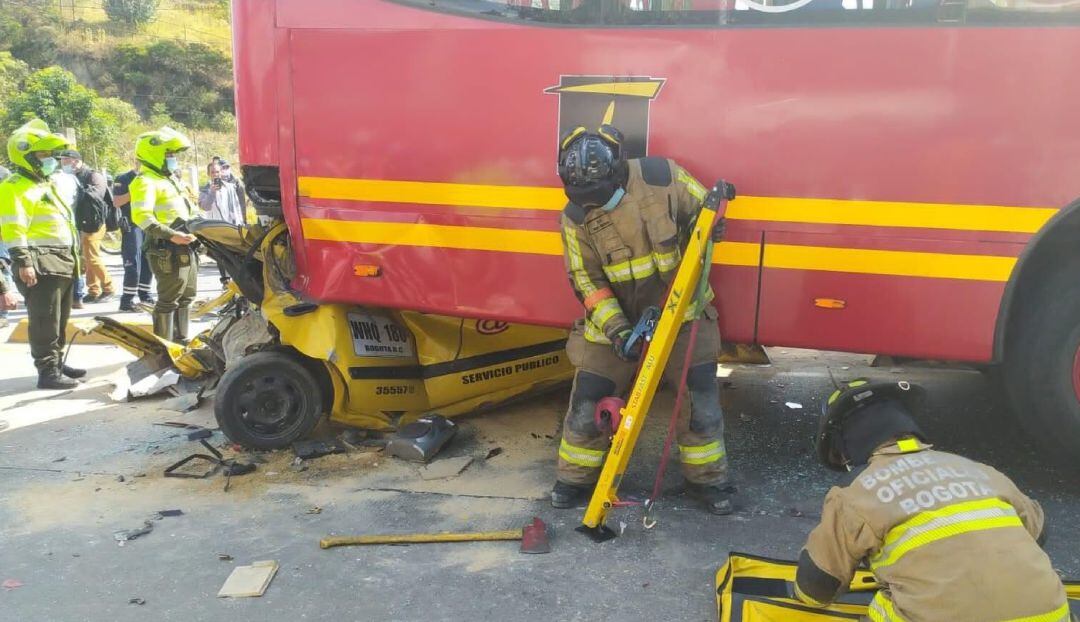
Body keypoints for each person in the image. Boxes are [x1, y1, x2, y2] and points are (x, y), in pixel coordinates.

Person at [550, 124, 735, 514]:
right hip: (616, 324)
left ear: (619, 169)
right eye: (586, 200)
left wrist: (712, 222)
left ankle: (707, 481)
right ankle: (574, 479)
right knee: (588, 401)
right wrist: (618, 331)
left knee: (700, 402)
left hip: (683, 315)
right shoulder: (574, 217)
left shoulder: (662, 177)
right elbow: (586, 280)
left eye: (600, 196)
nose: (594, 205)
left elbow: (704, 210)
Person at [794, 379, 1069, 621]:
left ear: (844, 452)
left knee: (884, 607)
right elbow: (1038, 533)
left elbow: (816, 588)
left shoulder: (855, 495)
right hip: (1052, 614)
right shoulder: (981, 471)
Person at [0, 119, 86, 389]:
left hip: (62, 259)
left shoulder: (45, 183)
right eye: (42, 154)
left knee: (59, 318)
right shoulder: (14, 186)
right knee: (44, 319)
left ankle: (57, 362)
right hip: (40, 261)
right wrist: (23, 262)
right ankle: (47, 371)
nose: (49, 159)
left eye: (50, 154)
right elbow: (13, 227)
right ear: (25, 155)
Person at [129, 127, 198, 343]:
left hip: (186, 244)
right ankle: (163, 348)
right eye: (169, 154)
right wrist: (171, 235)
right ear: (154, 154)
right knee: (169, 299)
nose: (173, 158)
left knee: (187, 296)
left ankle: (181, 341)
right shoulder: (145, 181)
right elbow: (142, 217)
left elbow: (188, 208)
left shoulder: (170, 180)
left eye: (173, 154)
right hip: (166, 248)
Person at [61, 149, 116, 304]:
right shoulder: (71, 177)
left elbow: (96, 195)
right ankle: (93, 290)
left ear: (76, 161)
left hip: (95, 222)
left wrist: (75, 190)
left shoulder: (93, 176)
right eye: (62, 161)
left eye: (66, 160)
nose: (63, 164)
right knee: (86, 257)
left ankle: (109, 287)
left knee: (92, 256)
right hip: (80, 222)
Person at [111, 163, 155, 312]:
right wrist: (135, 190)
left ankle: (145, 296)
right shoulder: (124, 178)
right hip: (132, 225)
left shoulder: (152, 177)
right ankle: (127, 300)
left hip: (149, 224)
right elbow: (117, 202)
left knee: (149, 261)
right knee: (133, 263)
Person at [199, 160, 245, 287]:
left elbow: (236, 206)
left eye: (217, 172)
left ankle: (236, 282)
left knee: (234, 254)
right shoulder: (204, 189)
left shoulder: (229, 187)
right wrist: (212, 192)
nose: (216, 174)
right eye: (213, 172)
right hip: (215, 227)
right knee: (220, 254)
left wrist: (240, 223)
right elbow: (205, 206)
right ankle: (225, 281)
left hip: (230, 225)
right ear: (209, 174)